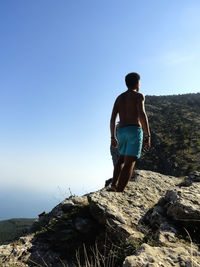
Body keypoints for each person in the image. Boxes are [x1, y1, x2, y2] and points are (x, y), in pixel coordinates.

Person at [110, 72, 151, 192]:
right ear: (138, 83)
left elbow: (112, 120)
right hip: (134, 130)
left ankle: (113, 184)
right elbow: (142, 114)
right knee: (130, 163)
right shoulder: (139, 96)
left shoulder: (119, 98)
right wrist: (148, 135)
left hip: (121, 131)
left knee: (121, 158)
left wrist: (113, 137)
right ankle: (119, 191)